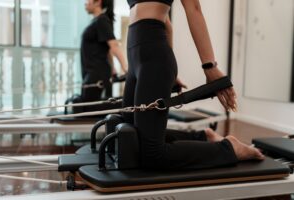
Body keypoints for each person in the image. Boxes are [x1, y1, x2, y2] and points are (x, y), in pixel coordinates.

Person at [122, 0, 264, 170]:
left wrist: (210, 66)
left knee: (152, 156)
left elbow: (194, 8)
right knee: (128, 136)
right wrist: (171, 74)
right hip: (136, 57)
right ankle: (202, 136)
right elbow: (167, 22)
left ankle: (230, 149)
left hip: (153, 57)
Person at [81, 0, 127, 104]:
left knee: (91, 112)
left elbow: (114, 45)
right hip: (95, 74)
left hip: (97, 75)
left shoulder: (102, 20)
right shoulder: (97, 21)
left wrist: (126, 68)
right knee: (90, 110)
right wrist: (113, 68)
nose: (85, 2)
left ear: (98, 2)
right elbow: (107, 49)